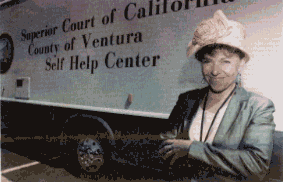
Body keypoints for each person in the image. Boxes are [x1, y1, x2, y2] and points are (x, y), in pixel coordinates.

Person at [158, 10, 275, 182]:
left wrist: (192, 149)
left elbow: (256, 165)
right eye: (207, 61)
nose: (214, 71)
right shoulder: (187, 100)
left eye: (225, 61)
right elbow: (165, 146)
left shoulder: (257, 106)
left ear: (241, 63)